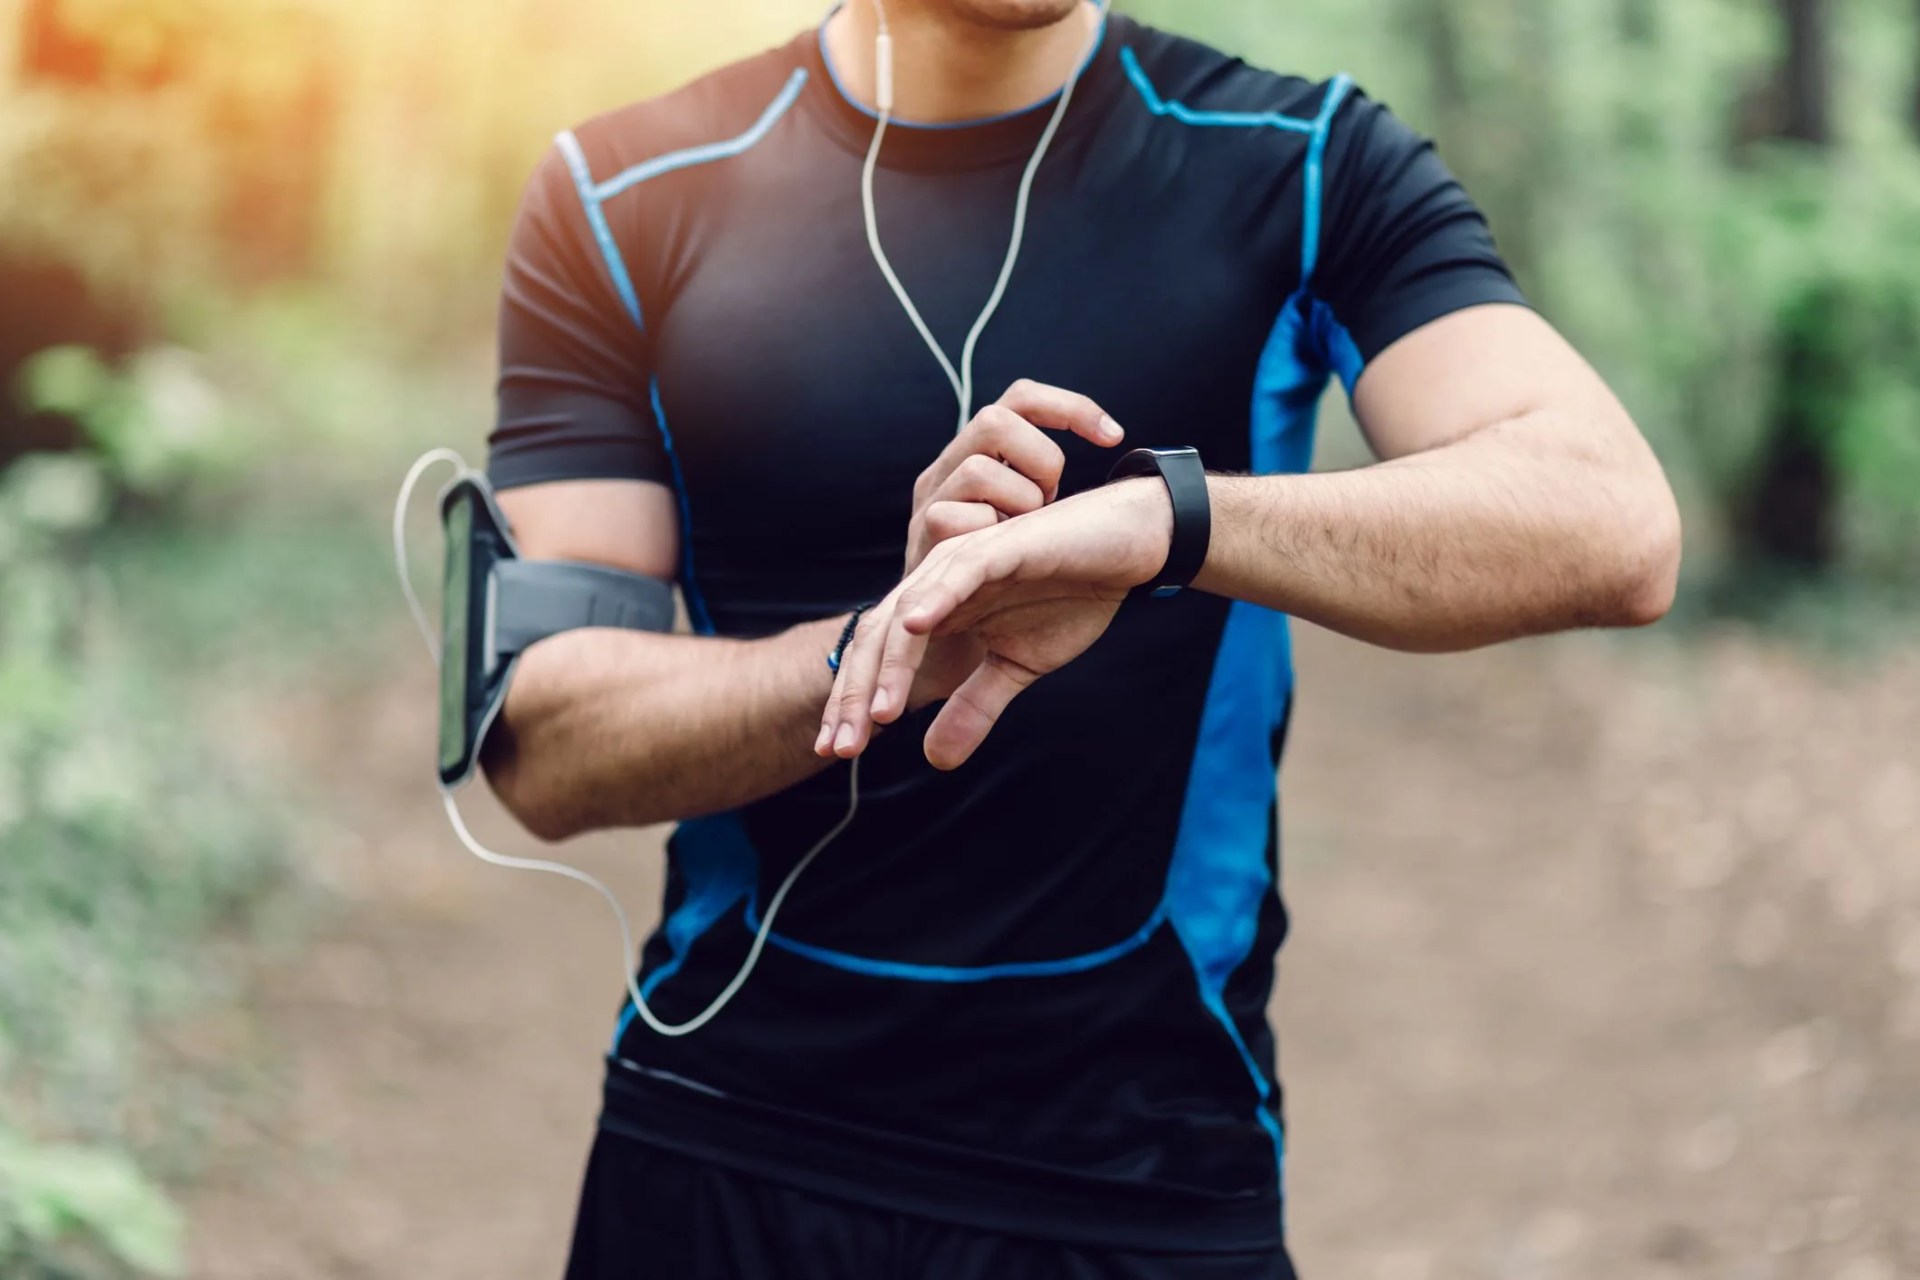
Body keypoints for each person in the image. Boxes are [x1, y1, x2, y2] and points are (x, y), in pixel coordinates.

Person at [481, 0, 1682, 1275]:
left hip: (1145, 1177)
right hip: (721, 1148)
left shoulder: (1305, 162)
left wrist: (1170, 524)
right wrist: (895, 645)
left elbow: (1612, 519)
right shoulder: (620, 193)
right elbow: (545, 743)